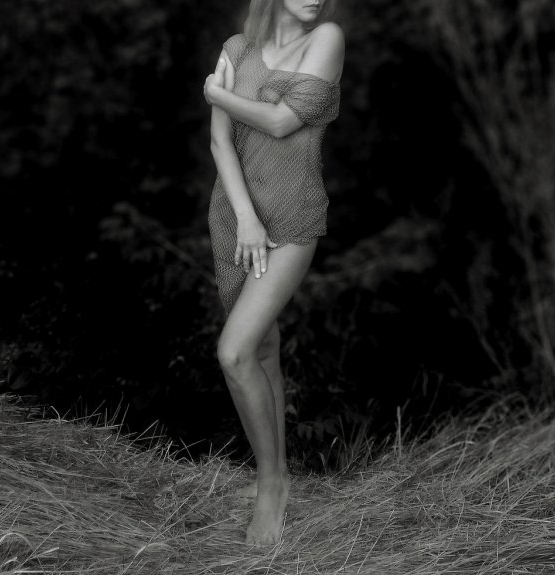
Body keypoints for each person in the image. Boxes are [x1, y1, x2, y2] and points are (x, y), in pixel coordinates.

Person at [202, 0, 344, 546]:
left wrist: (218, 96)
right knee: (261, 348)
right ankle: (277, 470)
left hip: (292, 219)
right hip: (235, 218)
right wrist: (244, 218)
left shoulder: (326, 38)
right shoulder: (238, 49)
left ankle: (271, 484)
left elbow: (283, 122)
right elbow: (220, 142)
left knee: (234, 352)